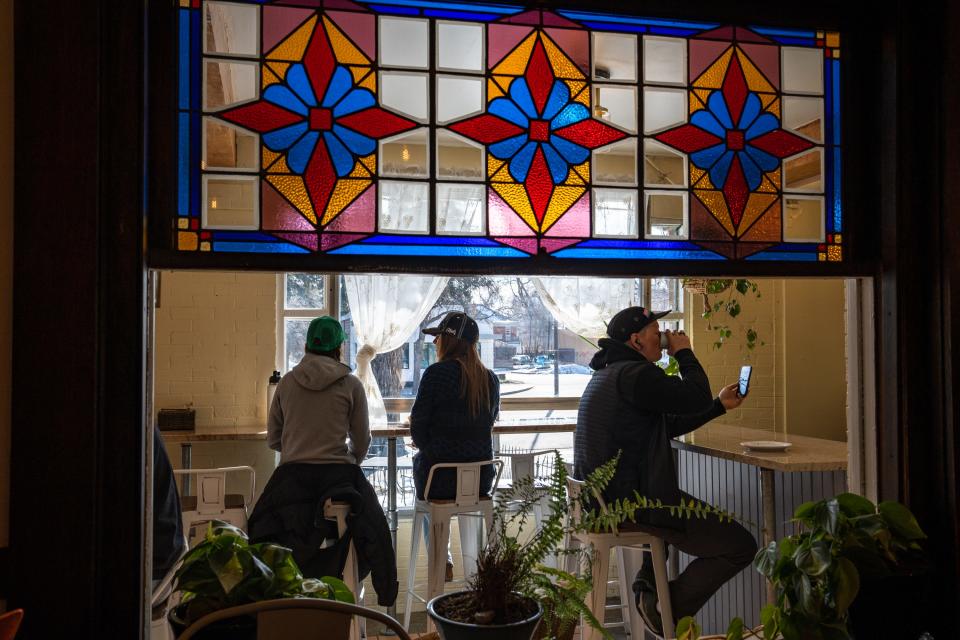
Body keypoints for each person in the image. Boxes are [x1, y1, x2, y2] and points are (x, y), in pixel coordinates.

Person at [574, 306, 757, 638]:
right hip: (633, 505)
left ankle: (650, 592)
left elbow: (666, 423)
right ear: (636, 340)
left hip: (605, 502)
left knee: (668, 522)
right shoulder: (637, 375)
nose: (662, 339)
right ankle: (665, 607)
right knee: (741, 545)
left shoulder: (608, 374)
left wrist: (717, 406)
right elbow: (694, 395)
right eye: (656, 333)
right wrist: (684, 352)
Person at [250, 316, 398, 606]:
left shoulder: (287, 384)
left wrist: (297, 448)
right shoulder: (352, 385)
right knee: (373, 525)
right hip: (339, 479)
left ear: (306, 346)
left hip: (292, 480)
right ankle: (384, 591)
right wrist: (348, 461)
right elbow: (362, 440)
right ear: (339, 349)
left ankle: (268, 599)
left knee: (258, 525)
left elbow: (273, 440)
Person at [410, 311, 500, 581]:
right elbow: (489, 421)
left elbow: (418, 431)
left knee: (426, 472)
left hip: (440, 481)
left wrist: (433, 446)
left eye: (437, 337)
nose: (435, 342)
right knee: (435, 470)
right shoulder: (491, 379)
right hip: (480, 481)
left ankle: (441, 558)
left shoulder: (436, 374)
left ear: (447, 341)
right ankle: (473, 571)